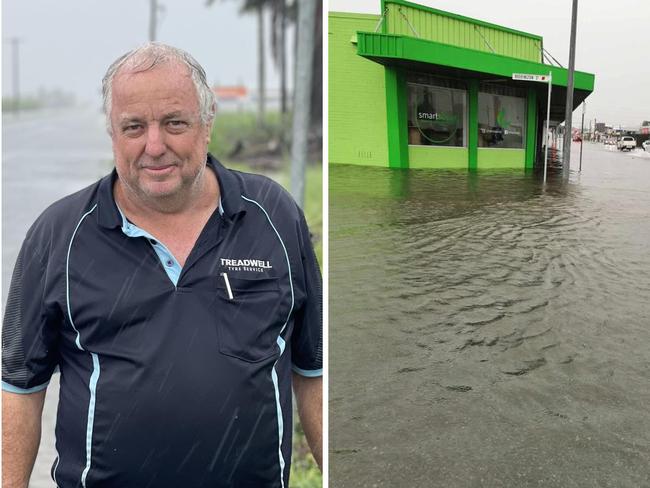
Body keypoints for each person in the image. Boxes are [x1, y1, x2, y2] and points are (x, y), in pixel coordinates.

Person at [2, 43, 322, 488]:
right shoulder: (58, 235)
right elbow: (19, 385)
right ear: (112, 134)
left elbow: (315, 372)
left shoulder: (274, 215)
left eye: (174, 123)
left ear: (207, 125)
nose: (155, 146)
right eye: (133, 127)